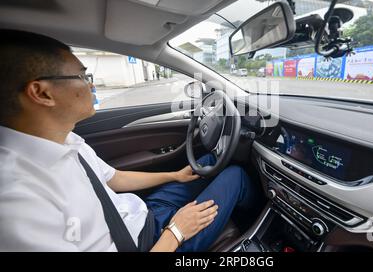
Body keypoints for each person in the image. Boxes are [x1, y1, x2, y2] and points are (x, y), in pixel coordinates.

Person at [0, 30, 257, 252]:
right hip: (155, 242)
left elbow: (115, 179)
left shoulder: (67, 139)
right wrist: (176, 232)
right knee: (235, 175)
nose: (92, 86)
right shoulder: (16, 200)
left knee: (210, 161)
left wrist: (174, 176)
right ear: (42, 93)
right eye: (81, 77)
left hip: (144, 214)